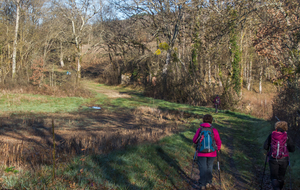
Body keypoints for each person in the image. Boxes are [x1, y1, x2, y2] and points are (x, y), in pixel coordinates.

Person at [193, 114, 222, 189]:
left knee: (203, 168)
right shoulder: (214, 130)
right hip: (212, 153)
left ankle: (202, 184)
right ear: (211, 121)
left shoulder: (200, 130)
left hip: (201, 152)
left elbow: (194, 140)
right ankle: (208, 182)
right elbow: (218, 141)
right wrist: (217, 149)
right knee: (209, 167)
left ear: (203, 120)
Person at [263, 121, 295, 190]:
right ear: (285, 127)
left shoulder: (271, 135)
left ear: (276, 127)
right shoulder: (287, 136)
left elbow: (265, 147)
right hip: (284, 159)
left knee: (274, 177)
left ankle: (276, 188)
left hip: (273, 158)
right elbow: (292, 149)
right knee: (281, 177)